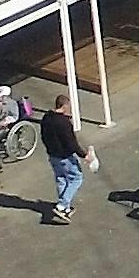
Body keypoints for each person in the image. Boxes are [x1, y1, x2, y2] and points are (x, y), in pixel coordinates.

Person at [34, 92, 88, 222]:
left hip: (52, 155)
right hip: (64, 156)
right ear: (64, 106)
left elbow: (43, 135)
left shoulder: (46, 118)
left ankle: (66, 209)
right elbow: (71, 143)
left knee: (61, 179)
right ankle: (62, 205)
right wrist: (84, 154)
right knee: (76, 178)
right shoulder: (64, 123)